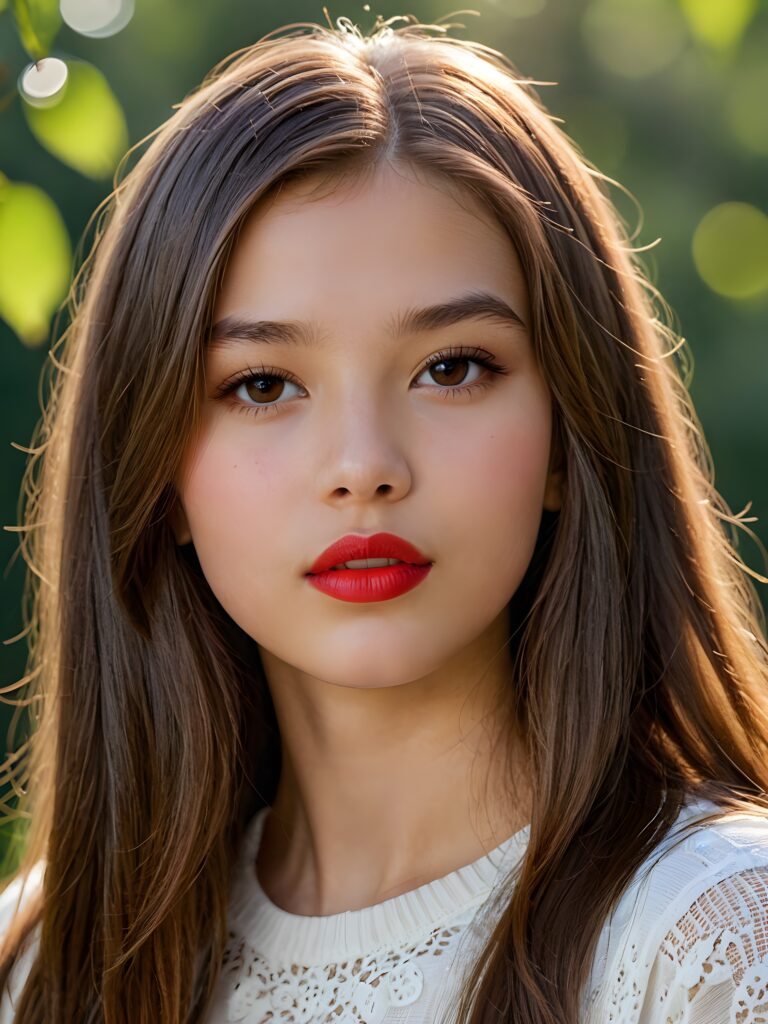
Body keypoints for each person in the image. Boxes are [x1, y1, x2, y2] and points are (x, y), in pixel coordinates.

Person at [1, 13, 767, 1024]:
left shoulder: (713, 943)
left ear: (569, 428)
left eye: (452, 368)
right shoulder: (49, 963)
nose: (364, 466)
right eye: (264, 383)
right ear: (159, 471)